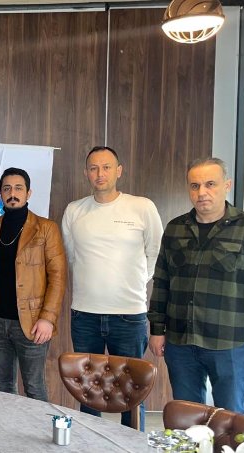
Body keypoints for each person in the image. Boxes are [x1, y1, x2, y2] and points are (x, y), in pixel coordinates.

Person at [149, 157, 244, 414]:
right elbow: (162, 281)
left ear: (227, 185)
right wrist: (157, 329)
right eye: (195, 186)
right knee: (186, 418)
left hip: (230, 344)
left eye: (210, 184)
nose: (202, 192)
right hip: (180, 342)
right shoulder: (175, 228)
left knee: (230, 419)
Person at [61, 146, 163, 429]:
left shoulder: (142, 207)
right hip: (85, 315)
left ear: (119, 171)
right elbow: (72, 256)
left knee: (132, 390)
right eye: (93, 168)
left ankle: (132, 445)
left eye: (106, 167)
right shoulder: (74, 210)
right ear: (86, 173)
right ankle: (87, 443)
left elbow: (156, 253)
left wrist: (134, 281)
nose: (100, 173)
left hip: (129, 315)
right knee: (87, 389)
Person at [0, 168, 66, 401]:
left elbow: (58, 277)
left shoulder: (46, 228)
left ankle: (40, 426)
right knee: (3, 385)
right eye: (7, 189)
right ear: (0, 194)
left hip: (32, 322)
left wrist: (48, 318)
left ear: (28, 193)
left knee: (34, 387)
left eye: (18, 188)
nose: (12, 193)